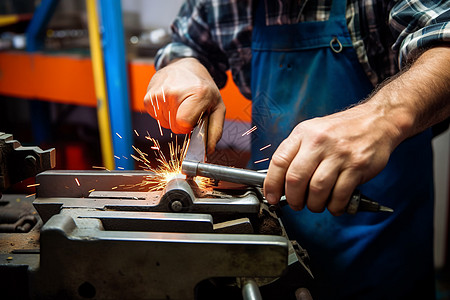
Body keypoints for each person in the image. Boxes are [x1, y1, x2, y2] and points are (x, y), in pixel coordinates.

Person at [144, 0, 450, 298]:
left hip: (381, 249)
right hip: (275, 231)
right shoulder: (220, 4)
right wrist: (182, 64)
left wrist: (384, 116)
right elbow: (185, 44)